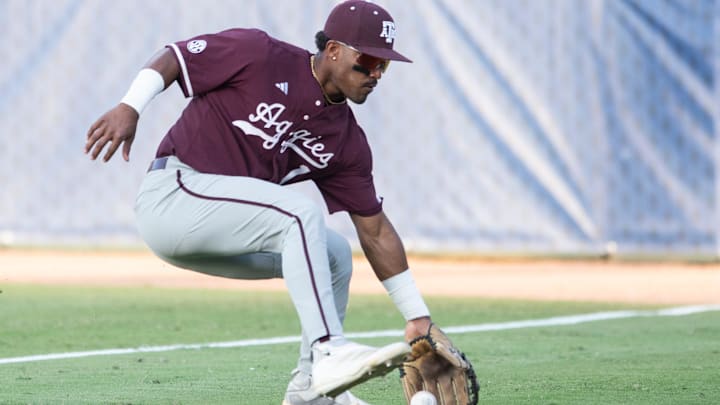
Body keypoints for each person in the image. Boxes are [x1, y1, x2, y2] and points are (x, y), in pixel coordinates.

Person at [85, 1, 435, 404]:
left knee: (335, 252)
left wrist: (417, 317)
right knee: (300, 214)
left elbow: (374, 230)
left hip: (223, 229)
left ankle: (310, 390)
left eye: (384, 66)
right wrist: (131, 105)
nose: (376, 74)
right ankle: (328, 350)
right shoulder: (259, 53)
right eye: (369, 60)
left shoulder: (346, 142)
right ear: (334, 50)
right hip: (174, 195)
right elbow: (174, 57)